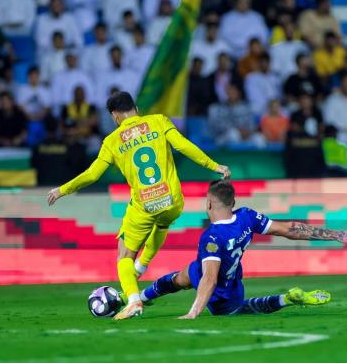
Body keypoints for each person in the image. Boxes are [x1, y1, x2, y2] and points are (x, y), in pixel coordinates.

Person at [47, 91, 231, 320]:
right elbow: (183, 146)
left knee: (124, 255)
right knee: (162, 224)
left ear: (115, 116)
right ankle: (142, 267)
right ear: (135, 108)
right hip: (172, 200)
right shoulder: (158, 121)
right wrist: (214, 166)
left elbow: (92, 175)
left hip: (144, 205)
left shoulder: (112, 141)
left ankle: (133, 300)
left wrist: (61, 190)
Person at [138, 180, 347, 318]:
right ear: (233, 203)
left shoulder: (211, 237)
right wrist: (337, 234)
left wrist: (193, 312)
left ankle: (284, 299)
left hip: (220, 294)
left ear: (208, 204)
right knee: (185, 276)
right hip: (233, 283)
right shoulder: (246, 216)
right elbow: (290, 229)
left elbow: (210, 279)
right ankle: (138, 297)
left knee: (189, 282)